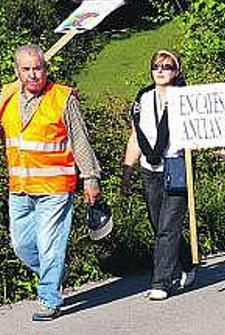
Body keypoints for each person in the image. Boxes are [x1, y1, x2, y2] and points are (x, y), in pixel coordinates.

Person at [1, 45, 102, 321]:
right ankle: (55, 271)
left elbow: (79, 140)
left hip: (54, 187)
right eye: (27, 69)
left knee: (50, 245)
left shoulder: (62, 97)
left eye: (38, 68)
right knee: (21, 246)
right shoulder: (6, 96)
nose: (34, 74)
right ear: (17, 71)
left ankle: (49, 297)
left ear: (46, 68)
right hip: (20, 187)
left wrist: (90, 177)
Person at [122, 50, 196, 301]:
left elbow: (199, 131)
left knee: (167, 227)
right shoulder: (142, 98)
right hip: (149, 168)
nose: (160, 70)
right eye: (156, 66)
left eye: (167, 66)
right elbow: (135, 136)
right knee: (160, 226)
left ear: (177, 71)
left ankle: (161, 282)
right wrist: (127, 170)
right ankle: (187, 261)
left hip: (175, 165)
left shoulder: (185, 98)